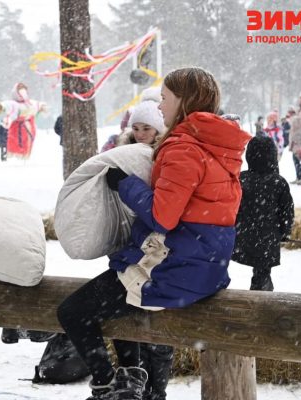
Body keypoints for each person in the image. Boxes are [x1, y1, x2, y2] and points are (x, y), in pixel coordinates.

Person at [57, 67, 250, 400]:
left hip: (171, 270)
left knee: (72, 312)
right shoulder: (219, 148)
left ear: (183, 100)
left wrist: (125, 184)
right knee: (119, 278)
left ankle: (106, 384)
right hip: (205, 267)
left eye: (164, 98)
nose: (160, 106)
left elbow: (164, 216)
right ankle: (132, 378)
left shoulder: (184, 148)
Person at [111, 98, 174, 400]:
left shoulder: (166, 157)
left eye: (146, 128)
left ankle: (157, 390)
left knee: (160, 328)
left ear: (158, 129)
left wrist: (127, 186)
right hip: (134, 244)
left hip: (161, 248)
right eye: (135, 127)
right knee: (133, 317)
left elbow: (160, 209)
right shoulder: (123, 154)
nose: (139, 133)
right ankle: (137, 384)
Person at [231, 136, 294, 291]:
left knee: (223, 263)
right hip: (267, 238)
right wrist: (285, 232)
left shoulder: (240, 179)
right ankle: (261, 292)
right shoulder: (278, 182)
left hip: (240, 235)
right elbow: (287, 212)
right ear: (273, 156)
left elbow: (230, 206)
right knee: (262, 271)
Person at [0, 83, 47, 160]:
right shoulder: (13, 104)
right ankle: (12, 154)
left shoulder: (29, 103)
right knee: (15, 140)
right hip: (16, 126)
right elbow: (6, 105)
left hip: (27, 126)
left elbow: (37, 105)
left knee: (26, 141)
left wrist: (42, 107)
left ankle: (23, 154)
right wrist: (1, 107)